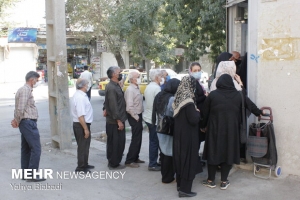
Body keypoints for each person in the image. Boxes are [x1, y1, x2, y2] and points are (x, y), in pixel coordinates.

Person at [201, 74, 262, 190]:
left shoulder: (213, 95)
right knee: (228, 153)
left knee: (213, 152)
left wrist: (202, 126)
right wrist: (259, 113)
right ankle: (224, 181)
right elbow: (250, 105)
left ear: (219, 83)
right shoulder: (238, 95)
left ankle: (210, 180)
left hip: (215, 129)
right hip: (232, 130)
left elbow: (205, 113)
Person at [210, 61, 263, 160]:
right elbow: (244, 99)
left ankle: (217, 163)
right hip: (231, 119)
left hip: (216, 120)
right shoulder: (233, 83)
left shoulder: (214, 82)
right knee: (230, 143)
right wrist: (241, 83)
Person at [11, 71, 46, 182]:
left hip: (25, 122)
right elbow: (20, 108)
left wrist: (17, 120)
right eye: (37, 80)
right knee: (36, 148)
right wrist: (16, 120)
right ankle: (32, 175)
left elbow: (19, 108)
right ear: (32, 80)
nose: (37, 82)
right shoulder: (25, 90)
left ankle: (25, 174)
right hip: (28, 122)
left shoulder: (24, 90)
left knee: (26, 149)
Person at [172, 76, 202, 198]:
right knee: (188, 160)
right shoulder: (189, 101)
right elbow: (193, 119)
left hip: (179, 134)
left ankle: (180, 185)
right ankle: (185, 189)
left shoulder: (178, 98)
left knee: (180, 159)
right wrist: (198, 112)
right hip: (188, 136)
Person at [152, 78, 180, 183]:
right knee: (169, 153)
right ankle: (168, 177)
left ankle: (165, 176)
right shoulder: (172, 99)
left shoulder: (160, 95)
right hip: (169, 129)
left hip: (160, 127)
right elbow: (174, 114)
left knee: (163, 153)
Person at [105, 66, 127, 170]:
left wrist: (104, 108)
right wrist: (119, 121)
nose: (120, 74)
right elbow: (113, 106)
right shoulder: (111, 87)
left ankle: (113, 161)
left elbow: (108, 102)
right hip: (115, 121)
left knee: (117, 142)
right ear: (114, 74)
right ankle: (114, 163)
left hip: (116, 119)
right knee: (116, 143)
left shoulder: (115, 85)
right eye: (119, 72)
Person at [71, 78, 94, 173]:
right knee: (82, 146)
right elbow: (80, 116)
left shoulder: (81, 95)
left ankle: (85, 163)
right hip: (81, 124)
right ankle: (80, 167)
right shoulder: (80, 97)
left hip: (82, 124)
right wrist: (85, 129)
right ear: (84, 86)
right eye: (87, 84)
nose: (88, 86)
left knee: (85, 145)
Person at [124, 70, 145, 168]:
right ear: (132, 79)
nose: (139, 78)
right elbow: (129, 106)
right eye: (138, 76)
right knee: (135, 138)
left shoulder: (137, 88)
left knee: (139, 138)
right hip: (134, 116)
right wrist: (136, 117)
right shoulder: (130, 90)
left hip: (138, 114)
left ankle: (135, 157)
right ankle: (130, 160)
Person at [143, 69, 163, 171]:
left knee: (154, 141)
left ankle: (154, 162)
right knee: (155, 141)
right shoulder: (157, 89)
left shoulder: (149, 87)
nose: (162, 78)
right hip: (153, 118)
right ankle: (153, 164)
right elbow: (159, 106)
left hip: (148, 117)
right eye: (160, 76)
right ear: (156, 77)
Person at [189, 62, 207, 154]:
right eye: (195, 70)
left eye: (199, 70)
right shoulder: (191, 83)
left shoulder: (197, 82)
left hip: (199, 114)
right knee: (196, 139)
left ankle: (195, 158)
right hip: (195, 114)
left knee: (198, 139)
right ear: (190, 71)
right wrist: (205, 96)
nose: (197, 72)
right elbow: (194, 99)